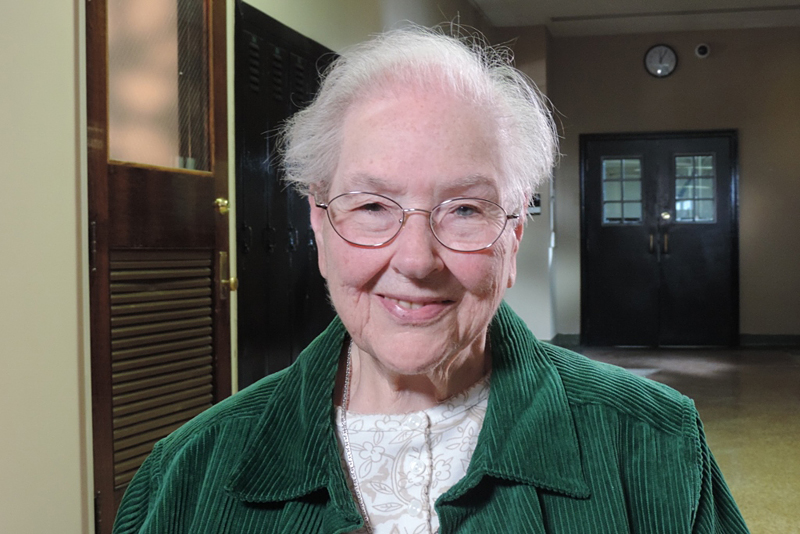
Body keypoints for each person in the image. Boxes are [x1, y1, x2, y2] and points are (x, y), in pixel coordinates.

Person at [112, 25, 749, 533]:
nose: (417, 260)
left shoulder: (654, 442)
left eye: (465, 210)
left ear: (514, 235)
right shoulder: (187, 474)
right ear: (320, 224)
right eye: (372, 206)